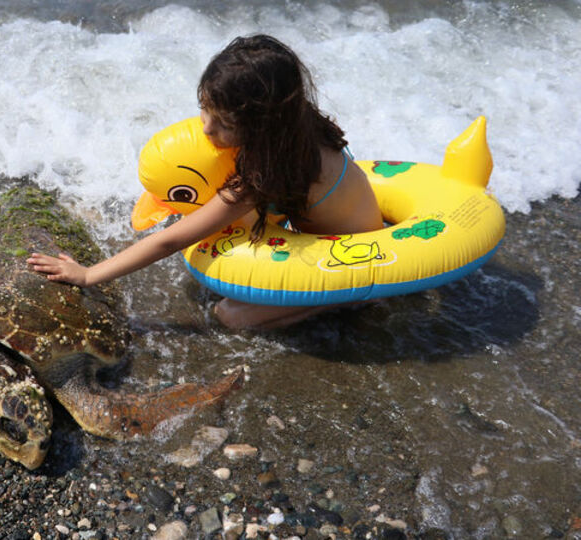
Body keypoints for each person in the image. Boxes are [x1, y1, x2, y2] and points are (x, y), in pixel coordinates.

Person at [27, 34, 383, 329]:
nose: (207, 128)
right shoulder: (295, 121)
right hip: (345, 218)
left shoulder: (264, 174)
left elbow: (170, 241)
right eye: (205, 109)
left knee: (230, 314)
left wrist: (88, 275)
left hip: (358, 255)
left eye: (224, 123)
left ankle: (348, 299)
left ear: (262, 124)